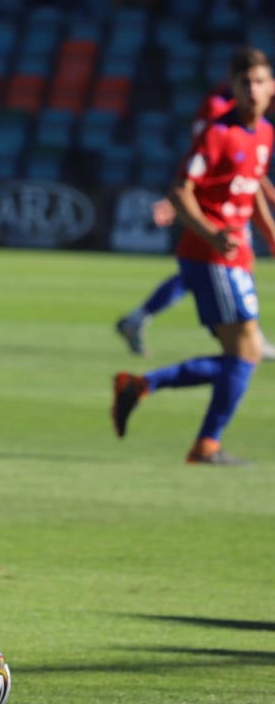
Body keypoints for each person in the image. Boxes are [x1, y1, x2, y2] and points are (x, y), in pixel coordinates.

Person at [113, 46, 275, 466]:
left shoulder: (265, 132)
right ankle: (206, 444)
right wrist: (211, 232)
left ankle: (141, 386)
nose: (253, 90)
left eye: (260, 81)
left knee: (244, 354)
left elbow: (252, 186)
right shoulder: (218, 133)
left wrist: (272, 236)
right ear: (233, 88)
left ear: (271, 87)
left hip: (233, 255)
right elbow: (181, 190)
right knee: (246, 353)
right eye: (245, 83)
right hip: (210, 255)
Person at [115, 78, 275, 360]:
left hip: (232, 200)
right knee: (217, 265)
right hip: (213, 207)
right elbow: (207, 157)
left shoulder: (249, 114)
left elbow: (247, 161)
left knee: (199, 273)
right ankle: (249, 337)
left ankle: (138, 318)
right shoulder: (219, 108)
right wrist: (177, 200)